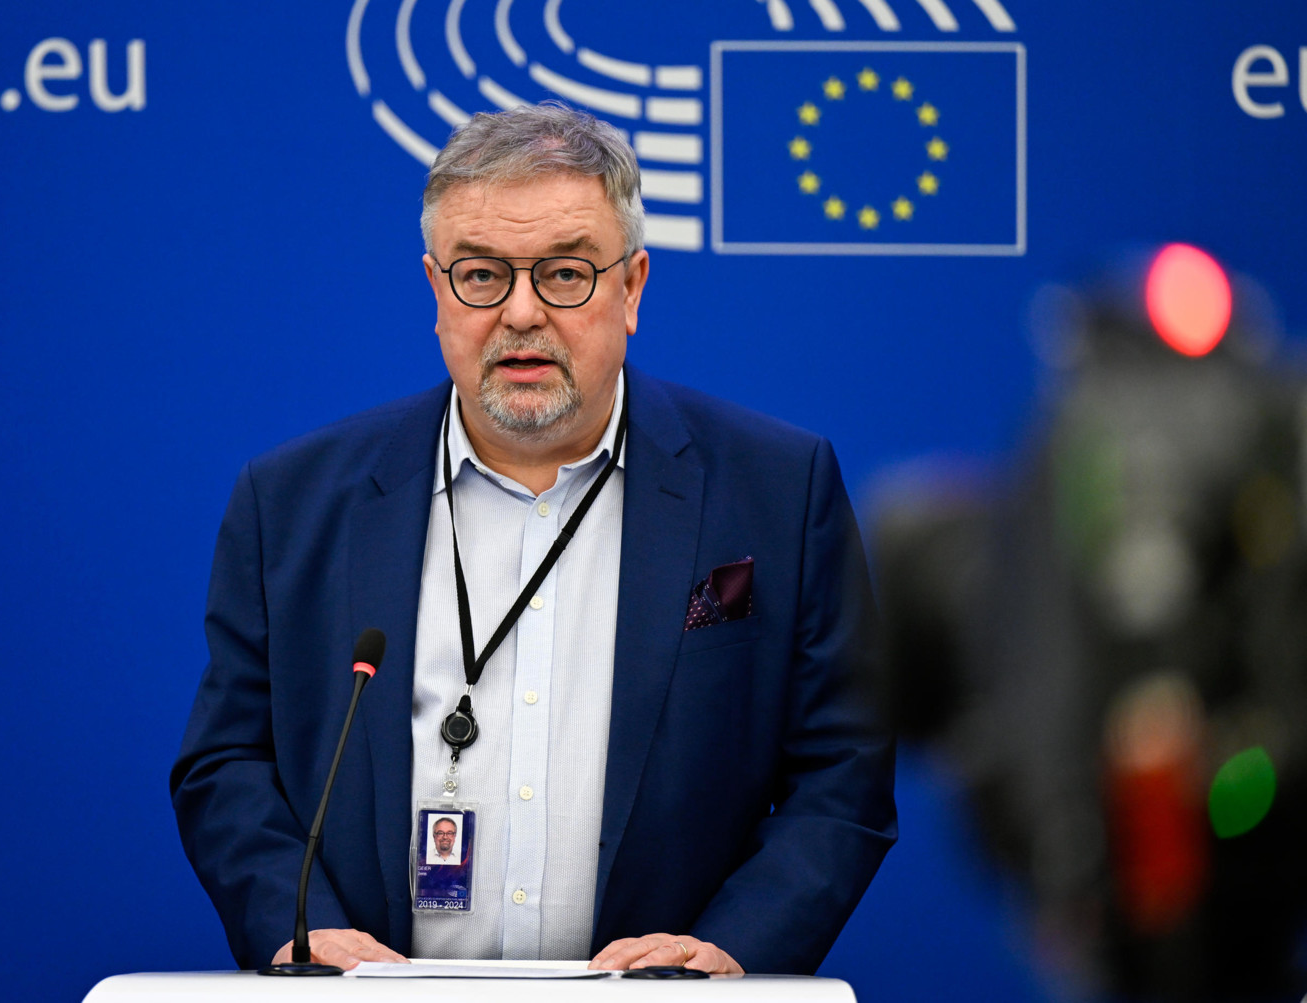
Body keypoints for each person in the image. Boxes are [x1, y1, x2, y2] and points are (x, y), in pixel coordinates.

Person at [171, 103, 896, 976]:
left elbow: (842, 767)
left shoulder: (776, 489)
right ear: (437, 290)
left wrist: (730, 950)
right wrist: (305, 931)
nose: (521, 312)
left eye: (564, 273)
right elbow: (228, 762)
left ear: (632, 287)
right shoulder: (292, 501)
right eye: (481, 274)